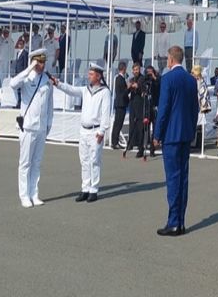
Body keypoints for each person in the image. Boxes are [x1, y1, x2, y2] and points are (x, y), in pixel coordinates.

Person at [153, 45, 198, 236]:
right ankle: (180, 221)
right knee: (183, 179)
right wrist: (191, 128)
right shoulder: (190, 79)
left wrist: (157, 134)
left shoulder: (167, 78)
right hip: (185, 134)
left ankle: (173, 222)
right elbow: (195, 108)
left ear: (171, 59)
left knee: (172, 179)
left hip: (171, 135)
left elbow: (163, 109)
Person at [55, 63, 112, 203]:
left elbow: (106, 113)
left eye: (91, 74)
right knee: (84, 161)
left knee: (95, 161)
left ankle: (94, 189)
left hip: (95, 130)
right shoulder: (85, 90)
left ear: (98, 76)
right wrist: (58, 84)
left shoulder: (105, 92)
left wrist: (102, 131)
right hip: (83, 130)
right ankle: (85, 188)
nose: (89, 76)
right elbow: (72, 90)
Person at [9, 48, 55, 208]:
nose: (42, 65)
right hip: (28, 127)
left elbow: (50, 104)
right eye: (39, 62)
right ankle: (24, 195)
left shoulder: (46, 80)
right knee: (25, 163)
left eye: (43, 62)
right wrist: (29, 68)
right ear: (34, 61)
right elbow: (12, 84)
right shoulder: (27, 78)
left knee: (37, 162)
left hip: (41, 127)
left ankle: (34, 194)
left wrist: (49, 123)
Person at [125, 63, 148, 159]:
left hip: (140, 104)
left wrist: (137, 87)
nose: (135, 71)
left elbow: (144, 90)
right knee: (132, 124)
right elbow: (126, 93)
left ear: (140, 70)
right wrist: (129, 87)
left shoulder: (142, 79)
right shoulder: (131, 79)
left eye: (137, 69)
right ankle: (130, 144)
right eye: (134, 70)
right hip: (132, 104)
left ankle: (140, 148)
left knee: (140, 127)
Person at [111, 61, 129, 149]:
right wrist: (128, 88)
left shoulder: (118, 78)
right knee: (118, 123)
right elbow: (123, 93)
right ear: (124, 68)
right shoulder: (120, 79)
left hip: (119, 103)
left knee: (117, 123)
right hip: (121, 104)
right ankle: (114, 141)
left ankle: (114, 141)